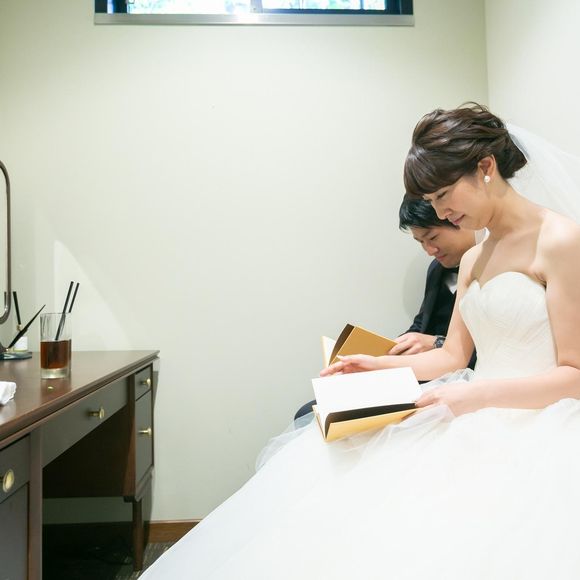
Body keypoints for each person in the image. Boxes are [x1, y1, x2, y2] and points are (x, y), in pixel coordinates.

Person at [140, 104, 580, 579]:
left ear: (486, 167)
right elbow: (453, 355)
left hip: (539, 424)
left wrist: (476, 395)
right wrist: (375, 365)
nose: (440, 212)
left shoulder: (560, 241)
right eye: (431, 200)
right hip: (468, 405)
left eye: (443, 195)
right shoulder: (475, 257)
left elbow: (574, 374)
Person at [294, 196, 476, 420]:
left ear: (457, 219)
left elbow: (485, 349)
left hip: (462, 378)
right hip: (419, 373)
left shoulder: (489, 268)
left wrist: (435, 342)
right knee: (310, 411)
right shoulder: (436, 270)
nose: (429, 250)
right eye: (420, 242)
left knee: (323, 415)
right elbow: (421, 325)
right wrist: (385, 350)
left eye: (432, 237)